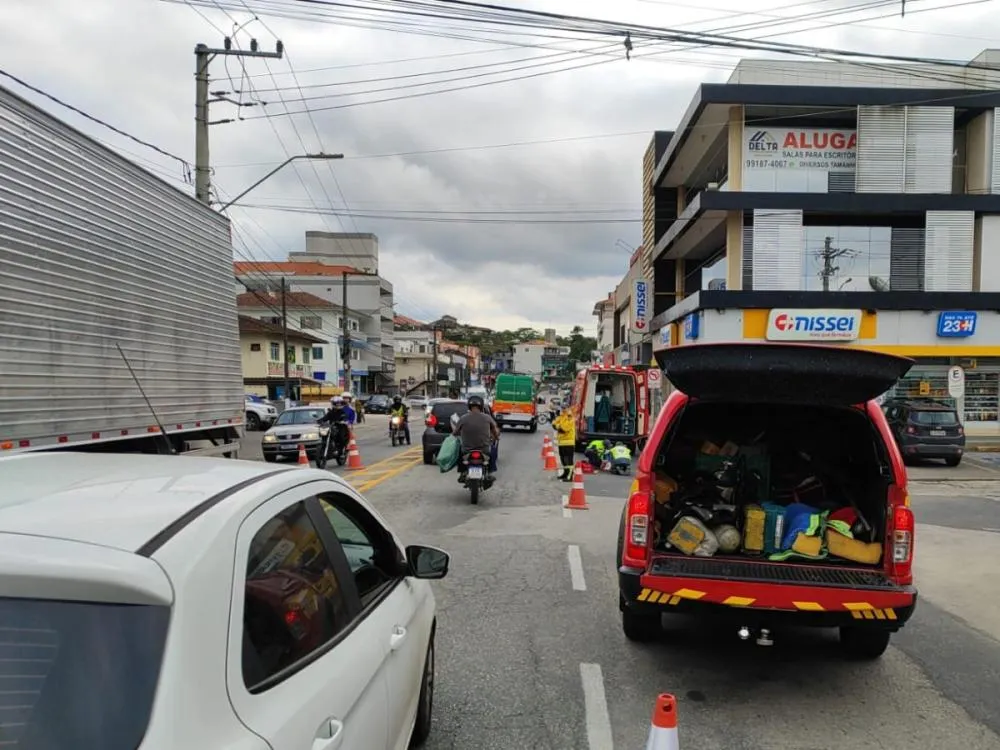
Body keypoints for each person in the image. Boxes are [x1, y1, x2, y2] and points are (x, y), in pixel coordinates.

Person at [452, 394, 499, 479]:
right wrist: (496, 437)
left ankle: (462, 471)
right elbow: (495, 430)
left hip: (466, 449)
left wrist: (456, 434)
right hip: (484, 449)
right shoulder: (487, 417)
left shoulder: (463, 418)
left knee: (458, 453)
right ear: (481, 406)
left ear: (469, 406)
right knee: (493, 450)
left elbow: (455, 432)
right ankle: (491, 470)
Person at [550, 407, 577, 482]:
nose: (562, 410)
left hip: (569, 442)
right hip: (561, 442)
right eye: (562, 409)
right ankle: (565, 473)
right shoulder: (561, 417)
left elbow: (564, 428)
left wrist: (558, 426)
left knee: (568, 460)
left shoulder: (570, 418)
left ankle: (570, 476)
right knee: (563, 460)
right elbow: (554, 424)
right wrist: (558, 426)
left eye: (564, 409)